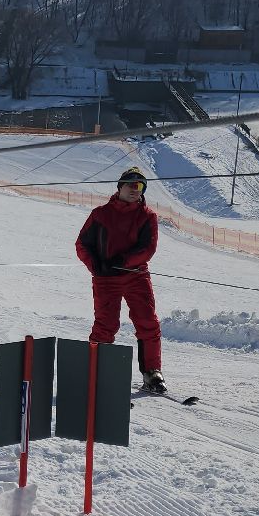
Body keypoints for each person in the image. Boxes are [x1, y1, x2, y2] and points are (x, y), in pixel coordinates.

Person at [76, 166, 164, 394]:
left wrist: (124, 261)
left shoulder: (147, 216)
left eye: (141, 186)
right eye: (131, 184)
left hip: (136, 275)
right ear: (120, 187)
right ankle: (96, 371)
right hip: (106, 278)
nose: (136, 189)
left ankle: (152, 371)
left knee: (147, 321)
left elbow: (148, 248)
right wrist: (95, 265)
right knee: (105, 324)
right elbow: (82, 244)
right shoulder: (100, 215)